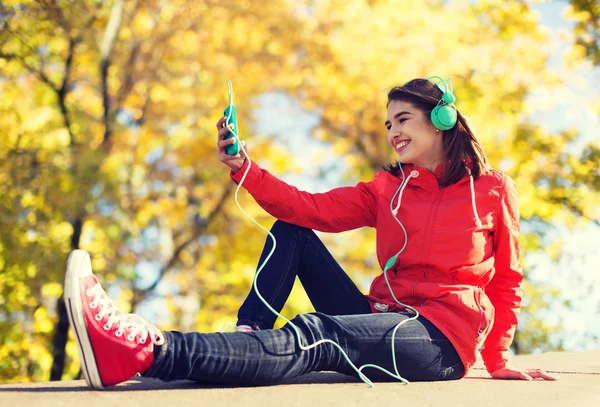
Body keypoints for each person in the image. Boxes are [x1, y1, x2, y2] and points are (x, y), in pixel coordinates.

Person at [64, 78, 557, 390]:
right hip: (380, 316)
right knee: (292, 230)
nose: (393, 132)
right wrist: (244, 167)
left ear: (442, 119)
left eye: (403, 119)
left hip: (438, 340)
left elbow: (508, 279)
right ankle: (249, 337)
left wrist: (497, 359)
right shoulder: (388, 188)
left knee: (319, 333)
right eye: (388, 123)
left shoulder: (491, 190)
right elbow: (308, 208)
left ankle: (146, 350)